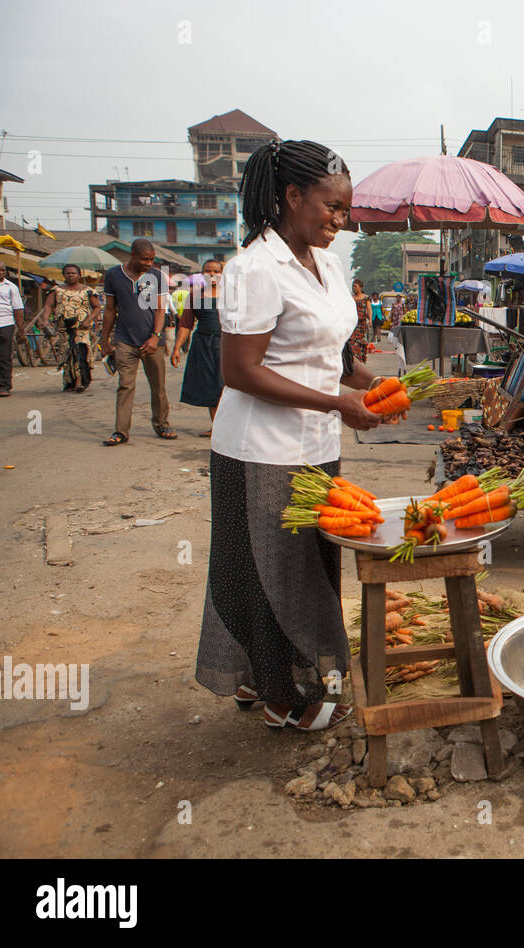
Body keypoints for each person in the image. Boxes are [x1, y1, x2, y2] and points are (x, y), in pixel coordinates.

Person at [195, 138, 386, 732]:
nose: (341, 219)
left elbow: (326, 351)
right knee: (267, 571)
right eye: (331, 206)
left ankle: (267, 678)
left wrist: (371, 385)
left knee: (304, 563)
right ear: (291, 196)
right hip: (260, 452)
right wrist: (338, 402)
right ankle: (283, 695)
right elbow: (241, 371)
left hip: (315, 445)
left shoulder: (327, 263)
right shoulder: (254, 268)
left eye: (347, 209)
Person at [100, 239, 175, 444]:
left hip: (152, 341)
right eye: (145, 259)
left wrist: (155, 336)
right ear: (132, 255)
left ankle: (162, 424)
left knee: (158, 386)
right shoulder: (114, 275)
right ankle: (121, 431)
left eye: (151, 259)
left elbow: (161, 309)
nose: (149, 263)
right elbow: (109, 309)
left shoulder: (157, 276)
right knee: (125, 385)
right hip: (125, 340)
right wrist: (104, 338)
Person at [171, 258, 225, 435]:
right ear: (202, 274)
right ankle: (216, 427)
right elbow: (186, 324)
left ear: (222, 274)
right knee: (210, 386)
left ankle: (230, 428)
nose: (212, 274)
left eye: (216, 271)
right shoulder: (194, 296)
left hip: (227, 344)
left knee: (227, 386)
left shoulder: (232, 295)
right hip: (204, 344)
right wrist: (177, 348)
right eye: (208, 271)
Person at [41, 263, 102, 393]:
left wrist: (88, 320)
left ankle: (80, 381)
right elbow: (48, 306)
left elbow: (97, 307)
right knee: (67, 353)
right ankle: (70, 382)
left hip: (81, 326)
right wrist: (45, 320)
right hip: (64, 327)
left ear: (79, 275)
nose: (71, 275)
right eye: (68, 273)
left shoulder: (87, 291)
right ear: (64, 275)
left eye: (73, 273)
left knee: (80, 351)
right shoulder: (56, 290)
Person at [0, 259, 24, 397]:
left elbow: (18, 309)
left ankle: (4, 386)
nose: (1, 272)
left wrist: (20, 329)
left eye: (3, 270)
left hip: (5, 324)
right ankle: (3, 374)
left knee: (4, 356)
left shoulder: (11, 287)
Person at [349, 278, 370, 363]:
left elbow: (369, 309)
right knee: (351, 341)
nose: (354, 288)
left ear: (360, 287)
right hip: (352, 323)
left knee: (361, 341)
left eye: (355, 286)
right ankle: (353, 359)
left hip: (362, 324)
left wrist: (370, 320)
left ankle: (361, 359)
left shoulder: (366, 298)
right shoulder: (350, 298)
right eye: (353, 286)